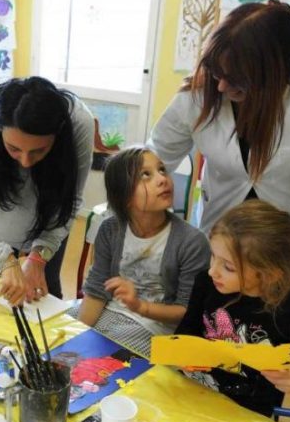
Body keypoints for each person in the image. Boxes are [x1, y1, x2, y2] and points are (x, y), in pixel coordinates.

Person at [148, 0, 290, 281]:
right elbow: (155, 156)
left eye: (236, 80)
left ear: (274, 74)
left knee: (269, 318)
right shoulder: (201, 89)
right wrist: (131, 208)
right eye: (218, 73)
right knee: (213, 313)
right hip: (220, 228)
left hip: (284, 235)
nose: (221, 87)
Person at [0, 76, 94, 304]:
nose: (25, 162)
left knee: (45, 297)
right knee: (0, 301)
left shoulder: (78, 122)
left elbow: (70, 200)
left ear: (57, 134)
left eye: (39, 151)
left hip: (50, 223)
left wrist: (40, 257)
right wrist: (5, 260)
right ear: (0, 128)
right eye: (13, 148)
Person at [175, 200, 290, 417]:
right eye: (212, 256)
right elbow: (186, 332)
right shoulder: (206, 284)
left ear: (270, 273)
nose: (212, 271)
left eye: (228, 267)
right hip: (192, 392)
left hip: (246, 413)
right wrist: (182, 353)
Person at [75, 146, 210, 358]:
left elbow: (186, 312)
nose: (162, 179)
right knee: (63, 331)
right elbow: (97, 289)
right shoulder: (110, 229)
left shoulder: (191, 242)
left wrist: (140, 306)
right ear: (124, 195)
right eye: (146, 175)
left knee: (107, 364)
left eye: (162, 170)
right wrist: (76, 337)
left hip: (154, 329)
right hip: (110, 312)